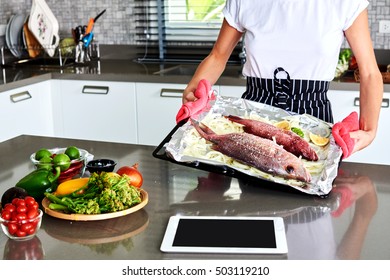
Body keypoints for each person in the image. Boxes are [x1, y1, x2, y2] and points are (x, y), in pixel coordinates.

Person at [182, 0, 383, 157]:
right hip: (254, 120)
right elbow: (218, 55)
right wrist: (193, 88)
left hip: (314, 121)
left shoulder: (345, 3)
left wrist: (370, 130)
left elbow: (369, 73)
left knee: (309, 197)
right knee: (253, 202)